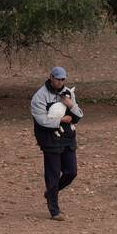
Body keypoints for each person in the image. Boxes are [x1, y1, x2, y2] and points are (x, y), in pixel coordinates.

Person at [31, 66, 83, 220]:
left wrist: (70, 104)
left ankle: (50, 193)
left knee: (71, 172)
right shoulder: (39, 97)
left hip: (67, 137)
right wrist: (60, 120)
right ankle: (54, 211)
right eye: (57, 78)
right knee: (53, 175)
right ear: (51, 77)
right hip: (49, 140)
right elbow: (41, 120)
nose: (60, 82)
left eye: (63, 79)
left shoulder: (67, 93)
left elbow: (78, 116)